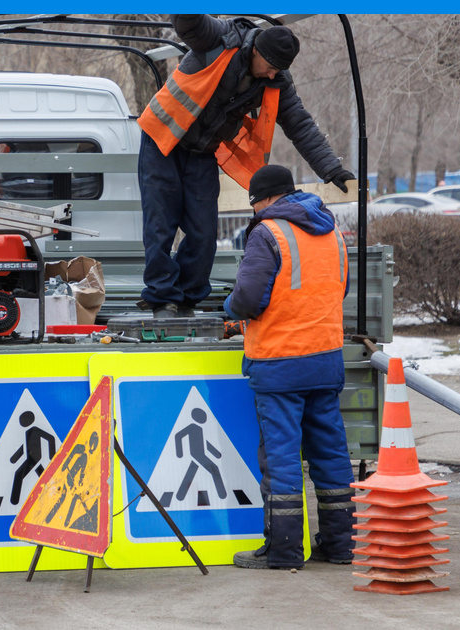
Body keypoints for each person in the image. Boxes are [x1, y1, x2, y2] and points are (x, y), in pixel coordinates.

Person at [138, 15, 354, 319]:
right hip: (163, 138)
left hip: (201, 152)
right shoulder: (221, 38)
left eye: (278, 69)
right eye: (269, 65)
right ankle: (162, 300)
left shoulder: (277, 81)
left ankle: (186, 300)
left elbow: (301, 127)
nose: (271, 73)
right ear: (255, 50)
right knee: (161, 223)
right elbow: (189, 24)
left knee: (204, 231)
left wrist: (332, 170)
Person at [224, 165, 355, 570]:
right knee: (331, 455)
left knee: (282, 459)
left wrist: (228, 310)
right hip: (326, 359)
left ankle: (282, 551)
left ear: (263, 201)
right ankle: (339, 545)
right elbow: (340, 288)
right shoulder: (332, 231)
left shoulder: (268, 233)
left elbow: (247, 298)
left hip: (281, 363)